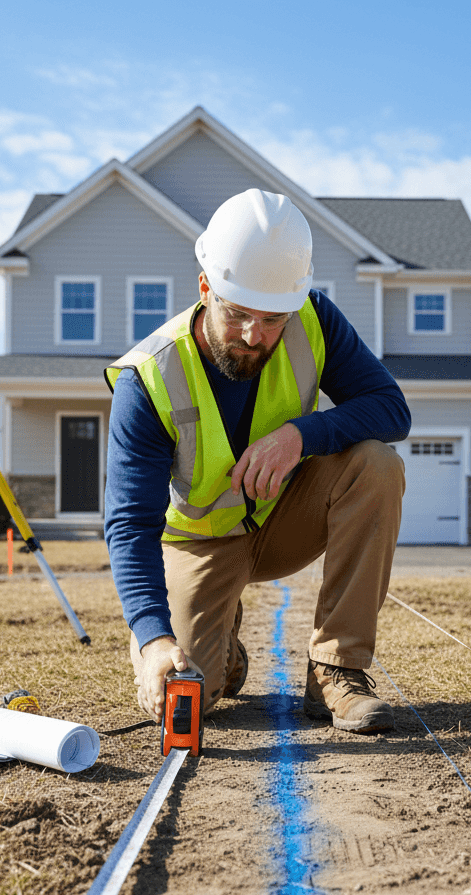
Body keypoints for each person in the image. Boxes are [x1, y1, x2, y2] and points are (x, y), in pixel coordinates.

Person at [104, 188, 410, 734]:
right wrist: (153, 638)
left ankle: (337, 673)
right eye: (238, 313)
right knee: (191, 687)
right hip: (201, 541)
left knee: (377, 464)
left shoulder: (315, 322)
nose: (254, 336)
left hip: (284, 518)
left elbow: (391, 410)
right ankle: (225, 650)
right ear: (206, 288)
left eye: (272, 319)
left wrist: (301, 434)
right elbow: (130, 525)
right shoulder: (147, 379)